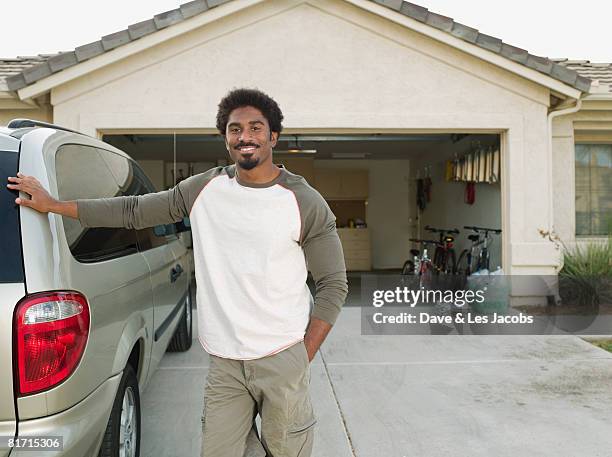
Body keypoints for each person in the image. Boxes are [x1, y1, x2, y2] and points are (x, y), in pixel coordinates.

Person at [7, 88, 348, 457]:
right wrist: (56, 205)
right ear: (226, 138)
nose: (245, 137)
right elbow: (134, 211)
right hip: (225, 361)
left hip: (282, 356)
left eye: (256, 128)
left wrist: (303, 354)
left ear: (273, 136)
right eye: (235, 129)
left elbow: (333, 285)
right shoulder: (204, 189)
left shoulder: (303, 201)